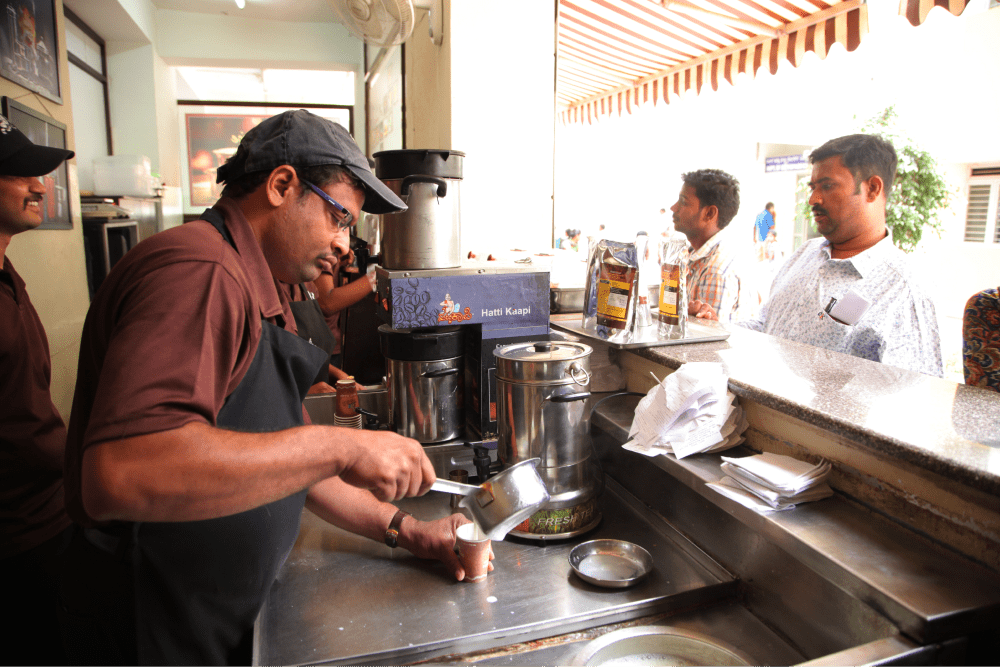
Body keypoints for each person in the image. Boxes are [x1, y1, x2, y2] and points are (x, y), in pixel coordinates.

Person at [62, 110, 481, 665]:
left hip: (220, 609)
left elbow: (285, 454)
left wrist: (406, 530)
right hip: (161, 619)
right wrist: (343, 444)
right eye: (338, 218)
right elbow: (120, 471)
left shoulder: (264, 281)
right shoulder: (200, 272)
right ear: (282, 186)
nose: (343, 245)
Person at [695, 134, 943, 377]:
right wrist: (715, 327)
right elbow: (764, 325)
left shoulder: (903, 288)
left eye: (827, 186)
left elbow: (913, 398)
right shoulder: (805, 254)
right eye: (812, 187)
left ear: (872, 189)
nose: (813, 198)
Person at [0, 113, 75, 665]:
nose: (41, 186)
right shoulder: (400, 277)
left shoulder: (8, 274)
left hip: (49, 514)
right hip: (18, 536)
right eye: (337, 216)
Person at [669, 168, 742, 322]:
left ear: (709, 214)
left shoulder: (716, 272)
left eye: (683, 202)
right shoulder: (691, 254)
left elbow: (707, 339)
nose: (674, 208)